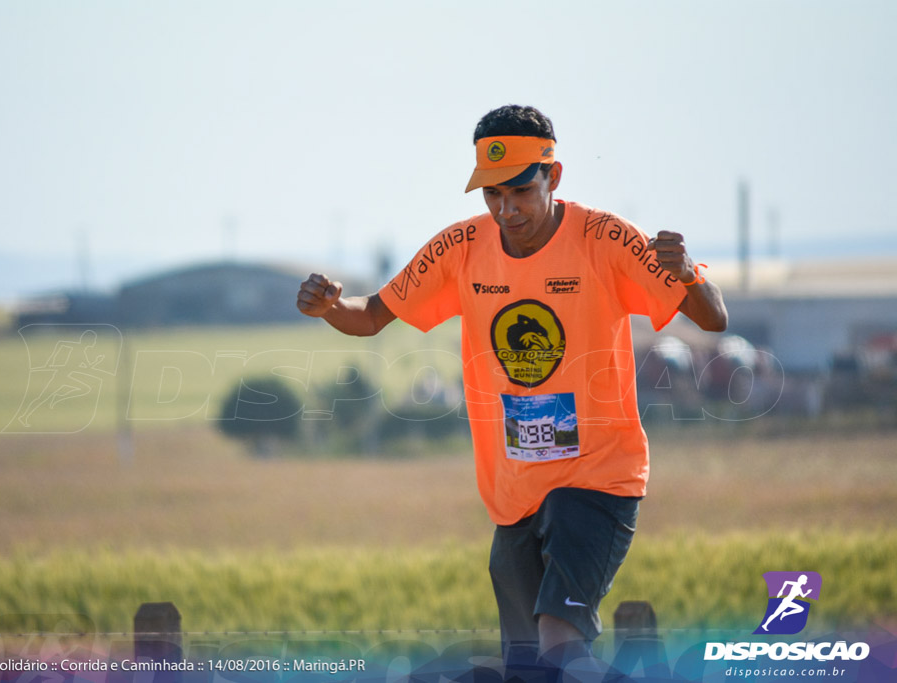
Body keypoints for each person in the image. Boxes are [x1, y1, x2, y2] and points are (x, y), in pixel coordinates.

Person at [296, 104, 727, 676]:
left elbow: (714, 318)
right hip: (513, 493)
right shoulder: (460, 248)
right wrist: (328, 309)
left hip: (597, 478)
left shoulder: (605, 238)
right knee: (528, 667)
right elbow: (371, 316)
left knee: (558, 646)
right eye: (492, 194)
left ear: (554, 176)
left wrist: (689, 271)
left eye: (520, 190)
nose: (506, 208)